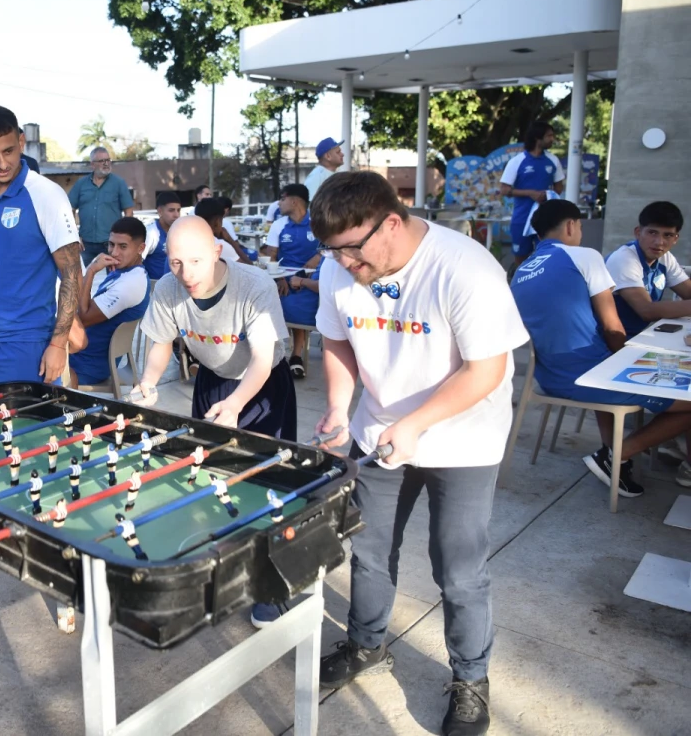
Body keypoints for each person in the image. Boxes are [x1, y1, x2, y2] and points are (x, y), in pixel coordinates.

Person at [309, 171, 528, 736]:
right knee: (368, 551)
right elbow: (336, 340)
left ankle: (471, 681)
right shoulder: (339, 266)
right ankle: (365, 643)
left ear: (391, 222)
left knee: (458, 570)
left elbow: (489, 369)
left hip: (463, 438)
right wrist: (339, 406)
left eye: (352, 250)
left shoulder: (465, 267)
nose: (344, 265)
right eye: (332, 253)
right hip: (380, 428)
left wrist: (417, 424)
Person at [511, 199, 691, 495]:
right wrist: (631, 363)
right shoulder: (584, 256)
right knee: (686, 391)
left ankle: (623, 451)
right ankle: (619, 452)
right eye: (580, 226)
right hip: (592, 374)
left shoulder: (521, 270)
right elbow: (612, 327)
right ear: (571, 225)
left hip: (549, 375)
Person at [0, 105, 82, 387]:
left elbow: (71, 273)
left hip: (28, 343)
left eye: (8, 151)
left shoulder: (46, 194)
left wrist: (58, 344)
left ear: (21, 141)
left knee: (31, 431)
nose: (2, 163)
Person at [131, 215, 293, 435]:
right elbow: (162, 342)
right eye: (176, 262)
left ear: (216, 253)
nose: (186, 275)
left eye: (196, 261)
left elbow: (262, 359)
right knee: (205, 457)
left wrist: (235, 403)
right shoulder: (167, 288)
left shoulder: (255, 285)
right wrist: (148, 381)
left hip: (263, 382)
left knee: (265, 463)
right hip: (210, 376)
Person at [69, 217, 151, 387]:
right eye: (111, 244)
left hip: (86, 364)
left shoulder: (130, 283)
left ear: (140, 248)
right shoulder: (124, 272)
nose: (114, 253)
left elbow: (83, 317)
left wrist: (91, 270)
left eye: (123, 247)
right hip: (81, 354)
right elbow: (87, 308)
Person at [604, 201, 691, 338]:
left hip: (635, 336)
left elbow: (688, 292)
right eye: (652, 233)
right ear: (638, 232)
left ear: (675, 239)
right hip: (606, 342)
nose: (659, 242)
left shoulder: (665, 257)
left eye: (667, 235)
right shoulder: (624, 259)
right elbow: (646, 310)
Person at [262, 183, 322, 378]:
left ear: (294, 200)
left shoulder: (318, 222)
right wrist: (280, 279)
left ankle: (296, 355)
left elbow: (326, 249)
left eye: (282, 198)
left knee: (303, 304)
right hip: (284, 279)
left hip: (311, 279)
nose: (279, 203)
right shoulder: (279, 225)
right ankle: (283, 356)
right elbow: (272, 256)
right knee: (280, 301)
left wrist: (308, 270)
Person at [499, 121, 565, 268]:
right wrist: (530, 193)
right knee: (521, 260)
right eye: (549, 136)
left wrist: (548, 195)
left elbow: (559, 186)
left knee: (546, 257)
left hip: (546, 218)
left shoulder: (553, 160)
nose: (552, 139)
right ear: (537, 138)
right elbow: (504, 189)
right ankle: (518, 287)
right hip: (522, 219)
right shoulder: (517, 161)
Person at [67, 146, 134, 266]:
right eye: (102, 161)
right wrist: (74, 235)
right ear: (92, 164)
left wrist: (123, 238)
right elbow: (69, 209)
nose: (106, 163)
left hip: (111, 244)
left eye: (108, 160)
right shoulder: (81, 184)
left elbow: (128, 211)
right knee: (79, 277)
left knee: (113, 279)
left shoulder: (118, 183)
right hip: (85, 244)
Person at [194, 197, 250, 264]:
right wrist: (231, 241)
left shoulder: (189, 239)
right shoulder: (220, 246)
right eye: (221, 221)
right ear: (217, 222)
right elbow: (249, 267)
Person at [143, 191, 182, 280]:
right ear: (160, 211)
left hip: (175, 287)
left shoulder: (181, 232)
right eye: (171, 210)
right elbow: (137, 263)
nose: (176, 215)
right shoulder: (151, 233)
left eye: (178, 210)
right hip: (154, 288)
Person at [305, 137, 344, 201]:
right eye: (338, 152)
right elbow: (311, 204)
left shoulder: (339, 173)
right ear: (328, 156)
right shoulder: (316, 177)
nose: (342, 154)